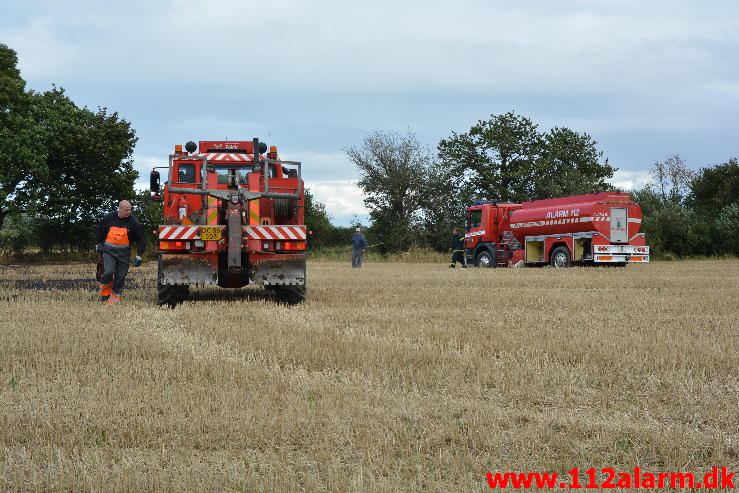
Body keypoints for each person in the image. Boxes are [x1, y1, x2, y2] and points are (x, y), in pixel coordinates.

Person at [95, 200, 146, 304]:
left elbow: (141, 240)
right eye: (126, 210)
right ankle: (104, 294)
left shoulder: (134, 223)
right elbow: (100, 230)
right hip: (108, 252)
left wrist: (139, 256)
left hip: (124, 255)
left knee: (120, 277)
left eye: (130, 209)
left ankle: (114, 299)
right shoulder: (109, 218)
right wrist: (98, 244)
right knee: (108, 272)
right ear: (120, 209)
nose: (129, 212)